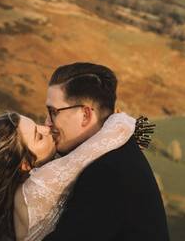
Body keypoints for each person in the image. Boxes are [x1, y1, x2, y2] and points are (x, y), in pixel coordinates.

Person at [0, 109, 137, 241]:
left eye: (38, 124)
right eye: (38, 137)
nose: (47, 129)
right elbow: (117, 133)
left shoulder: (13, 193)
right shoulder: (37, 186)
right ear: (24, 164)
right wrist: (115, 117)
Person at [42, 62, 169, 241]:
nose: (47, 122)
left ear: (85, 115)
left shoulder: (107, 171)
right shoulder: (116, 152)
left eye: (53, 112)